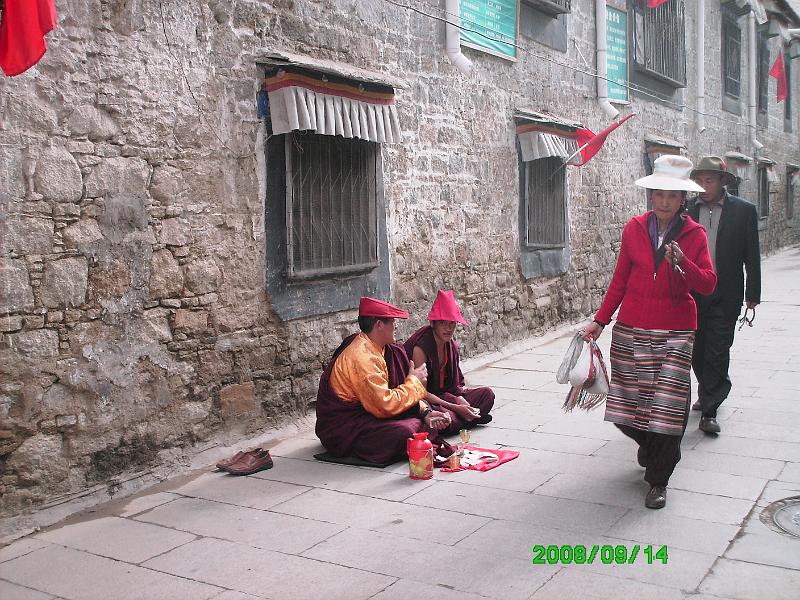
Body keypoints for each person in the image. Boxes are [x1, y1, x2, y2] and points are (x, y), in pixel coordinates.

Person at [582, 155, 717, 509]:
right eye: (659, 194)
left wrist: (683, 264)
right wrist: (600, 320)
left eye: (672, 195)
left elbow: (708, 284)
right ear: (651, 195)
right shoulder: (634, 228)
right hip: (632, 327)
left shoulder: (694, 234)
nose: (664, 201)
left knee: (668, 408)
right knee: (627, 407)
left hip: (676, 330)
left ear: (683, 199)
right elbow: (620, 280)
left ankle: (659, 479)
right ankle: (651, 445)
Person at [315, 296, 451, 464]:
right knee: (405, 432)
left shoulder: (382, 349)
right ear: (379, 325)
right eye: (392, 322)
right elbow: (384, 406)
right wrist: (414, 381)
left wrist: (425, 412)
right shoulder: (362, 356)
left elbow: (395, 390)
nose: (396, 326)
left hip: (369, 414)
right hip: (344, 429)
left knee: (417, 424)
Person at [689, 156, 761, 435]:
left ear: (722, 182)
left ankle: (710, 410)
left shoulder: (743, 211)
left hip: (726, 292)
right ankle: (708, 388)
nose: (704, 186)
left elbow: (751, 255)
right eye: (700, 181)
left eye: (710, 181)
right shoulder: (687, 209)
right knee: (697, 350)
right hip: (694, 293)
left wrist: (752, 293)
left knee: (718, 351)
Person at [403, 290, 494, 435]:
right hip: (429, 401)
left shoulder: (452, 346)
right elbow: (421, 394)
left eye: (452, 323)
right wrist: (456, 406)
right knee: (441, 417)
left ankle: (462, 419)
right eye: (443, 323)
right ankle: (466, 419)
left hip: (445, 397)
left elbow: (455, 386)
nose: (449, 328)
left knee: (487, 395)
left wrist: (459, 399)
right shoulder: (421, 348)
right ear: (433, 323)